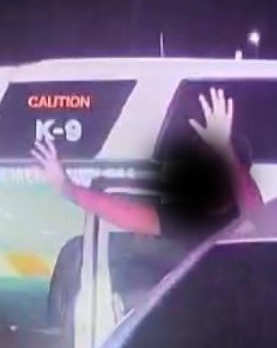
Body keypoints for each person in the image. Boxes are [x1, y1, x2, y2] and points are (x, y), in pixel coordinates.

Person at [31, 87, 263, 244]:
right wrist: (66, 188)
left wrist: (225, 150)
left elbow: (256, 216)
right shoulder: (185, 217)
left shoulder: (240, 218)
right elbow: (123, 212)